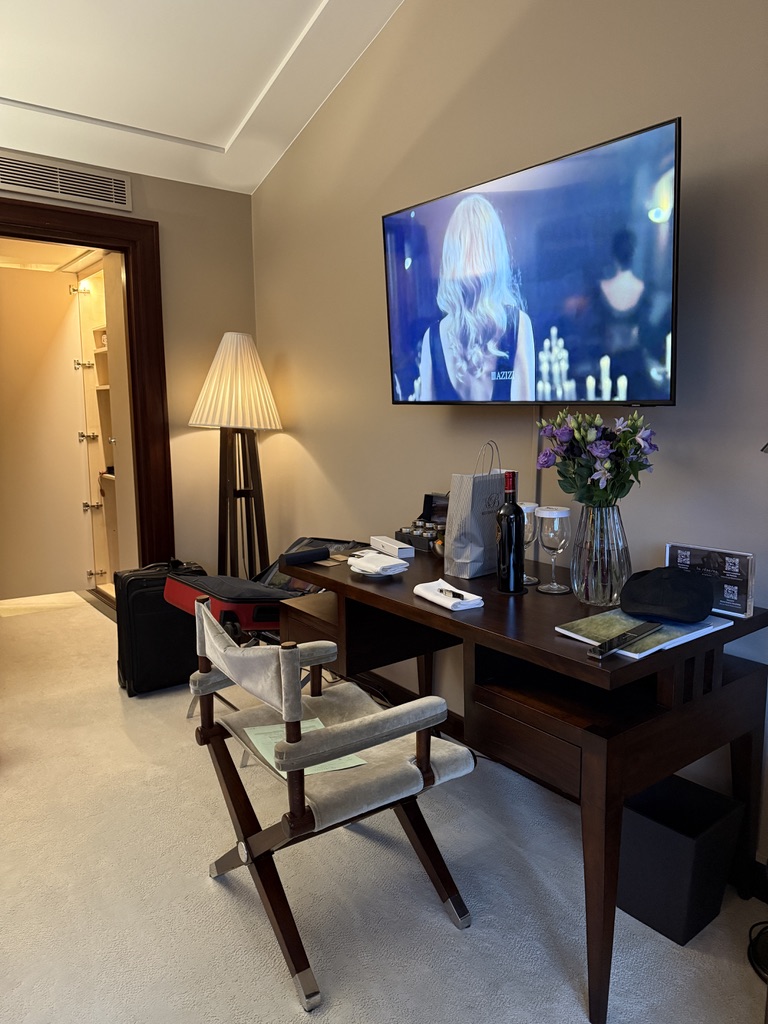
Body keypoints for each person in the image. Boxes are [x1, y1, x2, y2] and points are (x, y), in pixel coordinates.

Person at [415, 194, 535, 401]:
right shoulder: (518, 325)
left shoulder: (432, 339)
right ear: (494, 252)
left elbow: (427, 418)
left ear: (452, 256)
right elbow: (526, 415)